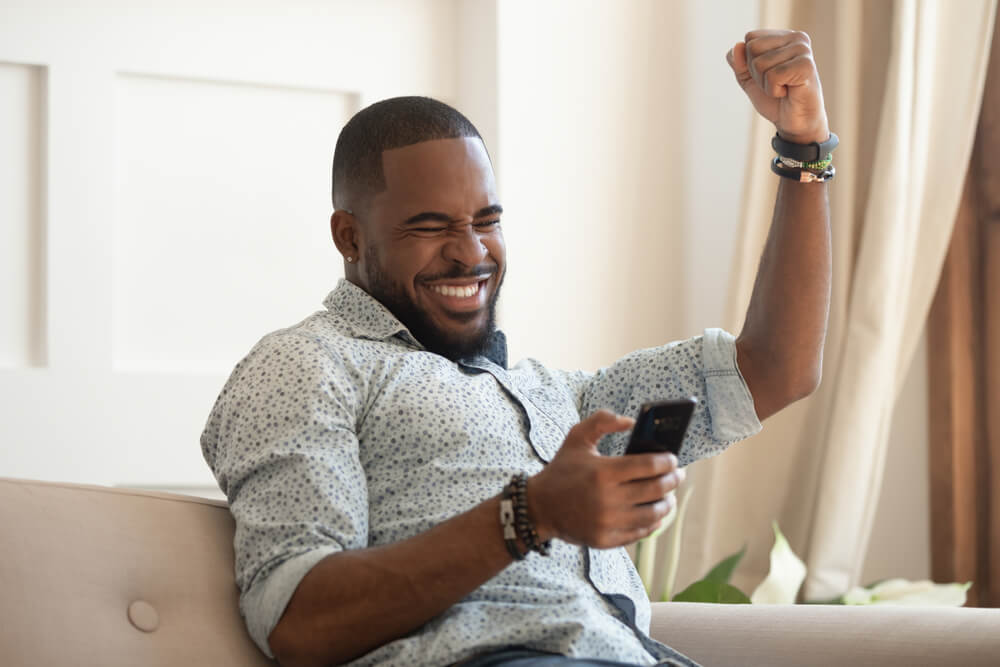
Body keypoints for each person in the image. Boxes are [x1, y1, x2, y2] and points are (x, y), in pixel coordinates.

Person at [201, 29, 832, 667]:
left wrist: (804, 151)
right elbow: (298, 622)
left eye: (487, 221)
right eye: (430, 226)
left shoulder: (561, 399)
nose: (471, 252)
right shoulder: (305, 364)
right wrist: (530, 514)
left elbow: (776, 369)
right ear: (349, 237)